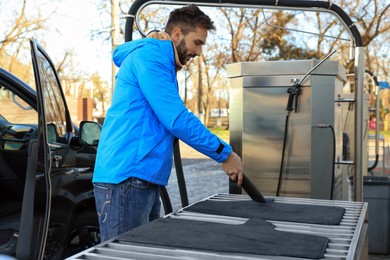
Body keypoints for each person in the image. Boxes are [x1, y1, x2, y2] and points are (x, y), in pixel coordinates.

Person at [92, 4, 243, 242]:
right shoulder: (150, 58)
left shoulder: (159, 61)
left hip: (140, 177)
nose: (199, 52)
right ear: (176, 34)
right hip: (128, 177)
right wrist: (224, 154)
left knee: (144, 252)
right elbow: (176, 119)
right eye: (197, 42)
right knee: (127, 255)